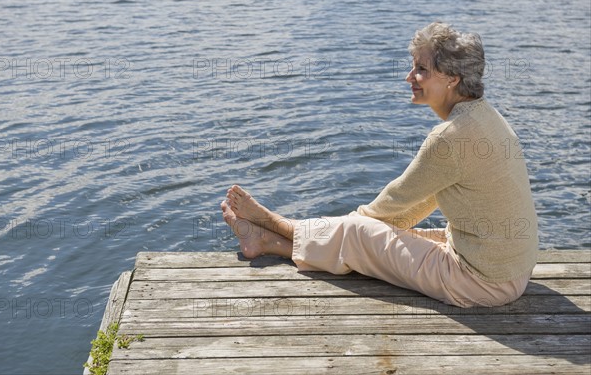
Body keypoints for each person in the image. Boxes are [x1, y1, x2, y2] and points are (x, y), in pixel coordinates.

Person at [220, 22, 539, 308]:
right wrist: (377, 231)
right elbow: (419, 202)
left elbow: (393, 203)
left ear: (452, 79)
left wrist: (357, 228)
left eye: (421, 70)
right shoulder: (486, 117)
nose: (409, 77)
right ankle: (267, 242)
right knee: (397, 234)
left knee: (360, 231)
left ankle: (272, 223)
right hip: (509, 271)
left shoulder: (450, 136)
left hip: (479, 282)